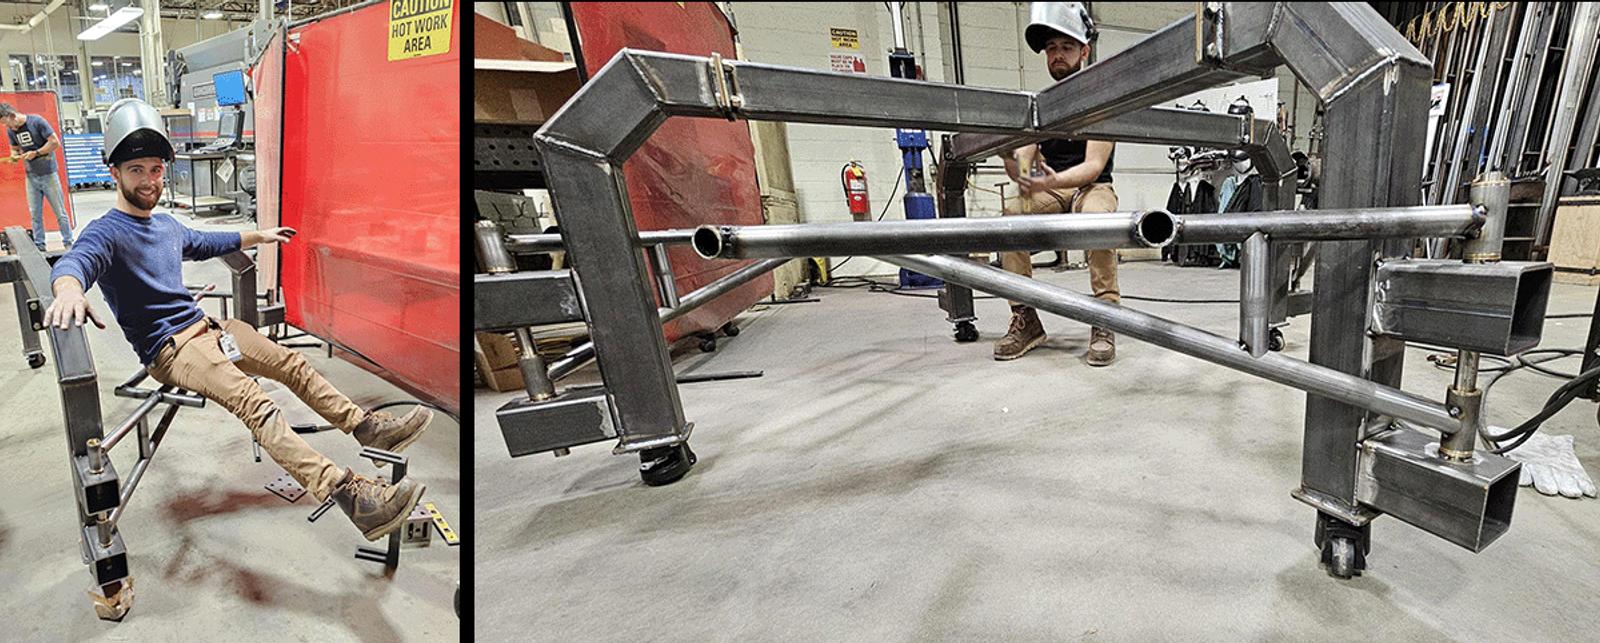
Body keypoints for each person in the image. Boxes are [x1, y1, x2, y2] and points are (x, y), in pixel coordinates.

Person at [42, 98, 431, 541]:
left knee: (293, 365)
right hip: (171, 349)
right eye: (136, 171)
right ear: (114, 173)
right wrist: (69, 289)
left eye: (154, 169)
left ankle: (367, 429)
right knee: (258, 404)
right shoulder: (106, 232)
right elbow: (76, 261)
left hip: (207, 330)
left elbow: (208, 240)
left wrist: (259, 234)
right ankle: (352, 498)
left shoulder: (167, 225)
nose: (149, 180)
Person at [994, 1, 1120, 365]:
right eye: (1051, 49)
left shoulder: (1101, 97)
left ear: (1084, 50)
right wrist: (1013, 164)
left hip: (1092, 187)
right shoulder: (1041, 104)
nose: (1057, 55)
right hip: (1053, 188)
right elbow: (1024, 161)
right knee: (1013, 213)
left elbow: (1094, 166)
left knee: (1099, 220)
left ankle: (1105, 316)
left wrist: (1045, 180)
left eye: (1066, 47)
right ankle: (1025, 316)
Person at [1, 103, 75, 251]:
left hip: (48, 174)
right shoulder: (11, 131)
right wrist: (14, 156)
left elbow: (55, 142)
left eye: (6, 123)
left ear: (13, 116)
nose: (8, 127)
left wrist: (37, 153)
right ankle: (40, 245)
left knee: (60, 212)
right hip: (31, 176)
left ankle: (68, 243)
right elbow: (14, 149)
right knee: (35, 213)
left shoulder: (37, 122)